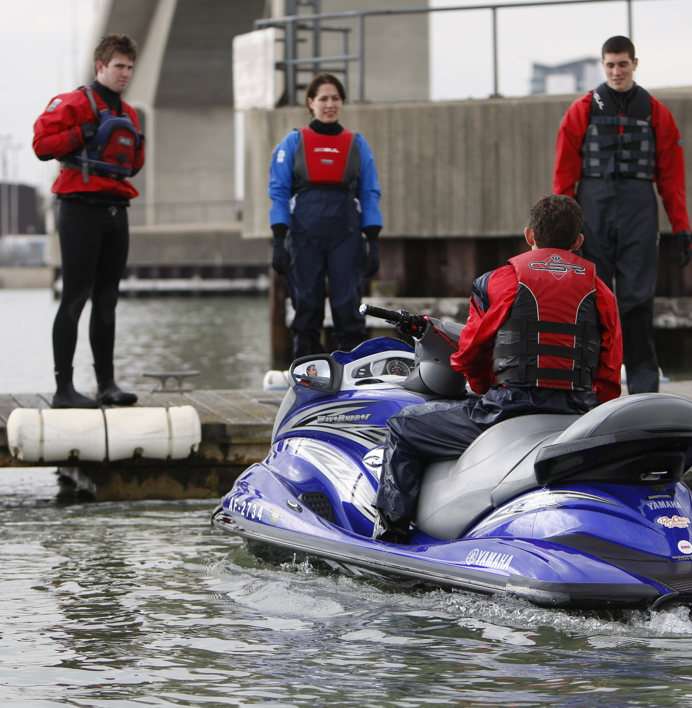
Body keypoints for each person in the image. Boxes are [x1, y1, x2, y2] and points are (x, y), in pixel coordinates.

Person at [373, 194, 623, 543]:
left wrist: (483, 388)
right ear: (578, 241)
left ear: (529, 235)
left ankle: (392, 533)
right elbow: (610, 374)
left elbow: (468, 355)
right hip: (576, 415)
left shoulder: (499, 281)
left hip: (510, 408)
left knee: (403, 426)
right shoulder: (602, 292)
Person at [553, 35, 691, 394]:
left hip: (638, 205)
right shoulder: (581, 110)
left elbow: (673, 179)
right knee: (590, 298)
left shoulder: (656, 112)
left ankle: (644, 389)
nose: (617, 71)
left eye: (623, 64)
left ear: (635, 64)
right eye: (610, 64)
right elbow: (564, 175)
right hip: (592, 205)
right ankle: (590, 385)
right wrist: (560, 233)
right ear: (603, 66)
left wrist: (682, 228)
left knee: (637, 300)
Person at [33, 34, 145, 408]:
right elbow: (41, 145)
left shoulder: (129, 113)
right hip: (79, 208)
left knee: (108, 299)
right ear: (101, 67)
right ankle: (63, 388)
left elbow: (135, 161)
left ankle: (106, 385)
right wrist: (81, 132)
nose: (125, 73)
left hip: (116, 208)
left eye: (129, 67)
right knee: (75, 296)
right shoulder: (76, 102)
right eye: (119, 67)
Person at [269, 72, 383, 360]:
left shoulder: (357, 144)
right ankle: (308, 378)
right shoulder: (293, 142)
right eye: (323, 98)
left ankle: (354, 376)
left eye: (335, 98)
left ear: (342, 102)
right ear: (311, 102)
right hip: (303, 237)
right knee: (307, 308)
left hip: (345, 237)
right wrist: (278, 240)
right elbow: (279, 192)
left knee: (348, 308)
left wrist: (373, 241)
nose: (329, 104)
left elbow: (370, 193)